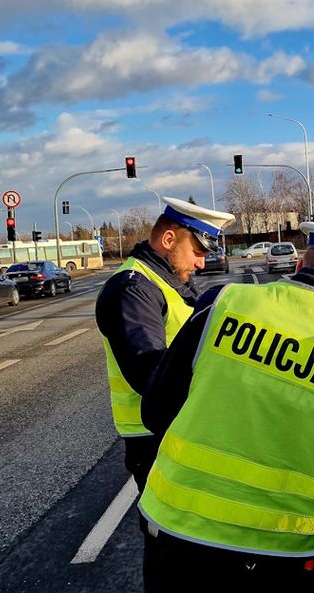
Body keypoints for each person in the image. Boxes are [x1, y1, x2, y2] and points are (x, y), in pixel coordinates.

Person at [137, 222, 314, 593]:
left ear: (298, 266)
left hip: (178, 537)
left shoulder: (221, 303)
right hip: (289, 559)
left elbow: (156, 410)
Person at [94, 196, 234, 491]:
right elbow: (149, 370)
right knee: (169, 529)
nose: (201, 261)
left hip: (178, 426)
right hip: (154, 435)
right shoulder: (132, 290)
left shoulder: (168, 280)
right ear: (169, 239)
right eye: (197, 251)